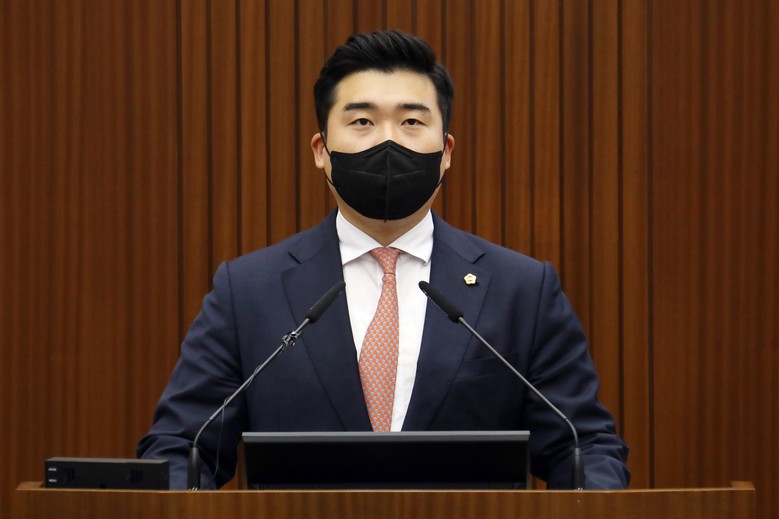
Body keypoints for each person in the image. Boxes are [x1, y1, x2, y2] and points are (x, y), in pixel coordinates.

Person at [138, 30, 629, 490]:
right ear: (322, 150)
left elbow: (585, 448)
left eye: (412, 122)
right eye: (362, 122)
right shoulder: (248, 291)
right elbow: (181, 447)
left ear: (446, 151)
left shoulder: (522, 289)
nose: (387, 141)